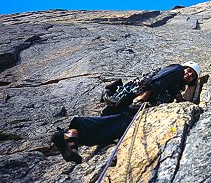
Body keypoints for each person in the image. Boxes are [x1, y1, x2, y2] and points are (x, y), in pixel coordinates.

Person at [51, 61, 201, 163]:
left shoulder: (176, 85)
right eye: (189, 71)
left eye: (192, 76)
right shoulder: (176, 69)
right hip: (135, 101)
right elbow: (157, 81)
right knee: (123, 124)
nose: (188, 75)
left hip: (129, 105)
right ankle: (71, 133)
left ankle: (72, 138)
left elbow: (174, 92)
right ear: (184, 67)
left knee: (116, 127)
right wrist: (143, 97)